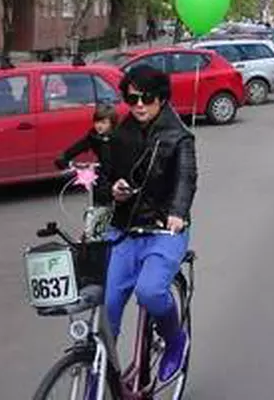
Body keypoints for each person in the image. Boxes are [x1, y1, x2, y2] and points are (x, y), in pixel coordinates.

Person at [104, 65, 197, 384]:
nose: (139, 105)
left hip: (163, 230)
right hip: (125, 230)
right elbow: (106, 176)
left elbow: (186, 178)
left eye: (147, 98)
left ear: (162, 98)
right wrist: (113, 189)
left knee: (150, 291)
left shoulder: (179, 136)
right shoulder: (121, 134)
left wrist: (178, 211)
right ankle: (99, 376)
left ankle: (175, 341)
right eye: (132, 99)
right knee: (107, 308)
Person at [54, 103, 118, 202]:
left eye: (104, 123)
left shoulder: (119, 137)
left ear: (112, 124)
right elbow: (76, 148)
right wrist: (64, 159)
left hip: (118, 178)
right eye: (97, 122)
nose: (99, 125)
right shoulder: (93, 137)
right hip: (101, 179)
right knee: (99, 204)